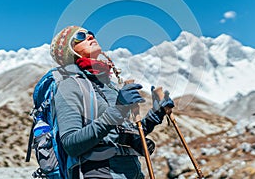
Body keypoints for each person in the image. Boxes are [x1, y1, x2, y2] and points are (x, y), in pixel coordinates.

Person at [50, 25, 174, 179]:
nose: (90, 36)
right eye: (80, 37)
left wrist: (154, 116)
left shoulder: (108, 84)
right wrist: (118, 110)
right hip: (98, 173)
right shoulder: (69, 85)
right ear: (70, 52)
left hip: (132, 172)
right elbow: (71, 144)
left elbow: (120, 135)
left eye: (90, 33)